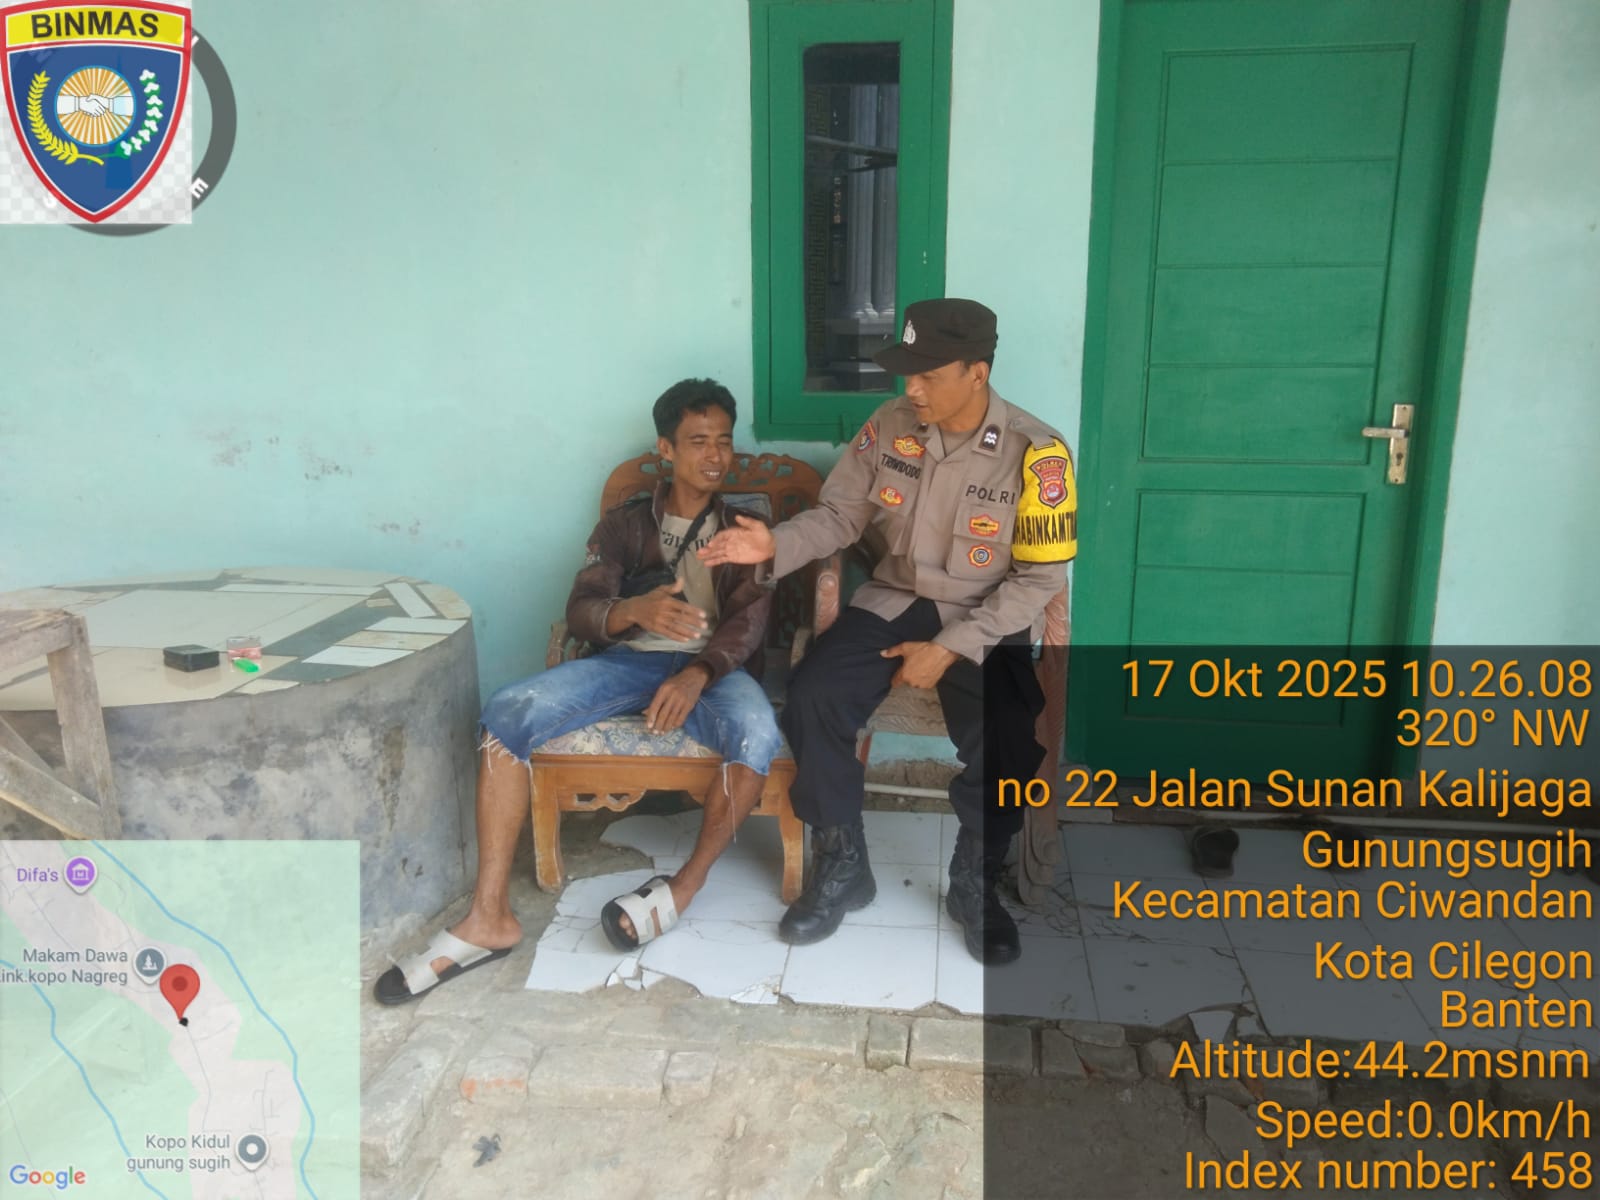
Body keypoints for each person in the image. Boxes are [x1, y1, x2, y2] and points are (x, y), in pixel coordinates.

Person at [375, 378, 782, 1004]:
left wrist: (698, 672)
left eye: (724, 442)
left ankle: (684, 887)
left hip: (712, 671)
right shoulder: (625, 524)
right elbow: (583, 605)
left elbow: (751, 620)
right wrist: (633, 612)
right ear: (666, 449)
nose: (714, 455)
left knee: (757, 732)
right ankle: (488, 916)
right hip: (625, 663)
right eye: (698, 441)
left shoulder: (746, 528)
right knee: (505, 714)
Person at [699, 299, 1076, 965]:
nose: (913, 388)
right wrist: (774, 545)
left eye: (929, 374)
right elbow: (840, 517)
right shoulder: (891, 425)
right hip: (896, 598)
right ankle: (844, 864)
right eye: (909, 373)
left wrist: (949, 648)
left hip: (986, 615)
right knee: (813, 696)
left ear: (978, 372)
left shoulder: (1039, 453)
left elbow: (1040, 579)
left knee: (1012, 730)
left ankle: (974, 881)